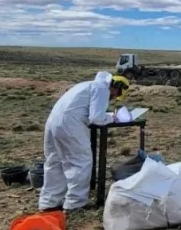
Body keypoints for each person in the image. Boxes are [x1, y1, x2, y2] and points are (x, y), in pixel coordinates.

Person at [38, 72, 130, 212]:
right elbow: (97, 118)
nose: (113, 97)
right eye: (116, 94)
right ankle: (75, 204)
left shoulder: (86, 85)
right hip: (70, 125)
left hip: (53, 123)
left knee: (54, 163)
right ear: (117, 87)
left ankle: (49, 203)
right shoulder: (101, 89)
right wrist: (113, 119)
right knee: (80, 162)